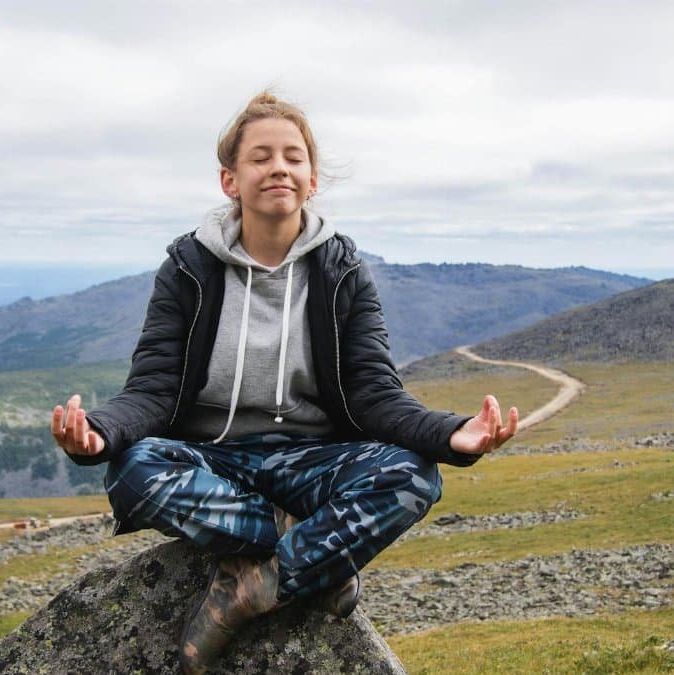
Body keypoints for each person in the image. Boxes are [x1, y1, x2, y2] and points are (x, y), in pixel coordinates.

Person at [51, 91, 518, 674]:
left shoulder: (342, 272)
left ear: (312, 179)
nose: (279, 167)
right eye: (261, 157)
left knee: (412, 477)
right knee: (133, 471)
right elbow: (153, 389)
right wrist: (98, 433)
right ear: (230, 180)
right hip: (214, 460)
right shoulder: (187, 271)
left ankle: (253, 588)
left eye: (293, 157)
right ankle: (321, 556)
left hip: (313, 462)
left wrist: (453, 435)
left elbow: (374, 392)